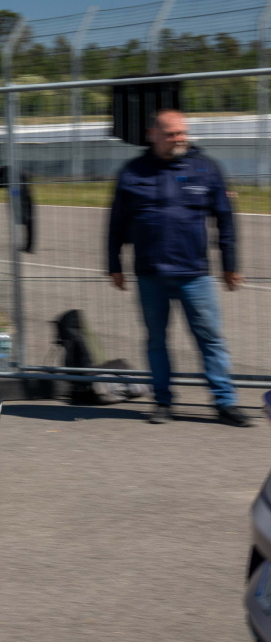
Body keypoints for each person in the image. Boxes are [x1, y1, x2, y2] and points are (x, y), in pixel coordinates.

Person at [107, 108, 250, 426]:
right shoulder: (133, 172)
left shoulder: (205, 168)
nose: (178, 139)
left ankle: (225, 403)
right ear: (152, 135)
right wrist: (114, 264)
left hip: (194, 274)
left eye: (182, 133)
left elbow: (225, 219)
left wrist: (230, 264)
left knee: (210, 339)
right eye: (171, 134)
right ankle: (163, 401)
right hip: (150, 274)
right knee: (156, 341)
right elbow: (117, 222)